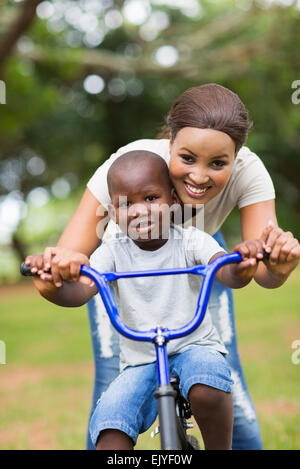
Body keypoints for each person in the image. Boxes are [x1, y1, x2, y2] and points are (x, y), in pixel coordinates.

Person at [25, 83, 300, 450]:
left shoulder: (248, 172)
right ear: (170, 144)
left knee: (218, 376)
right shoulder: (126, 171)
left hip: (205, 256)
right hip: (123, 265)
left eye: (218, 163)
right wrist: (54, 277)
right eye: (187, 159)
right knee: (113, 387)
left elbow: (259, 266)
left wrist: (277, 265)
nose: (200, 177)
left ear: (237, 156)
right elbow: (70, 262)